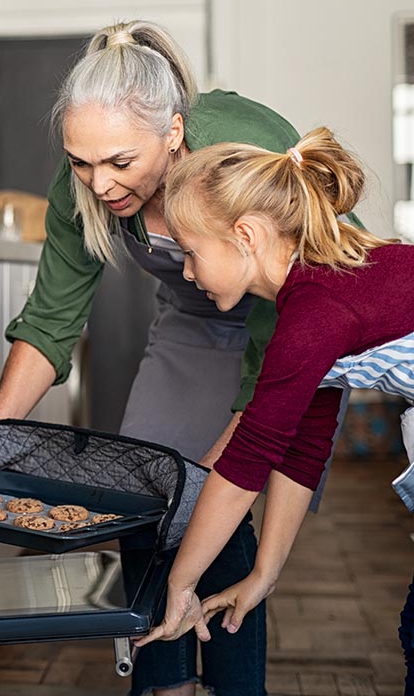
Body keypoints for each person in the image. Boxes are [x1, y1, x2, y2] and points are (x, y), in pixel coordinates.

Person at [0, 20, 351, 696]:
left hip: (294, 308)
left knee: (218, 494)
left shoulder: (241, 152)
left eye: (120, 163)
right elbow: (51, 321)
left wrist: (222, 463)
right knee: (145, 491)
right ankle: (164, 686)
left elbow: (293, 318)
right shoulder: (83, 187)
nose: (97, 182)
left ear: (175, 133)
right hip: (194, 319)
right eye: (81, 162)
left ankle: (239, 687)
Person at [137, 127, 414, 692]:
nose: (187, 273)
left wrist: (179, 585)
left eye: (192, 253)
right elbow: (303, 446)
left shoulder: (313, 314)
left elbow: (247, 460)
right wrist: (263, 573)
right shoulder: (314, 293)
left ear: (245, 235)